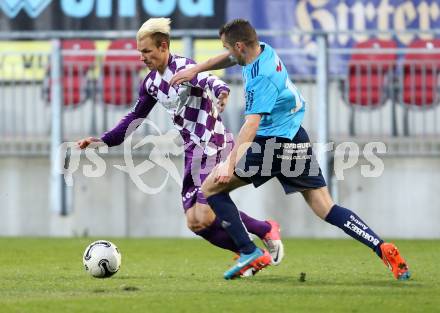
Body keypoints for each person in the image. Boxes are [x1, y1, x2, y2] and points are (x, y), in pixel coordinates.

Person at [170, 18, 411, 280]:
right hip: (295, 136)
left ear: (239, 46)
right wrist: (197, 69)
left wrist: (230, 164)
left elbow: (250, 126)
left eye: (229, 47)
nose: (228, 53)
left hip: (271, 145)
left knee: (212, 188)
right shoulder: (263, 49)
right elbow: (229, 59)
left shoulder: (260, 79)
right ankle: (382, 247)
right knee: (326, 208)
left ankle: (249, 251)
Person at [76, 18, 283, 277]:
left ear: (163, 46)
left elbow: (211, 80)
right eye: (140, 52)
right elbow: (134, 118)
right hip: (192, 153)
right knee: (196, 223)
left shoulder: (185, 68)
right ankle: (261, 233)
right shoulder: (151, 83)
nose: (142, 57)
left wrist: (221, 93)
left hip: (214, 144)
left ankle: (250, 251)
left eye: (147, 51)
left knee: (206, 214)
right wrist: (104, 139)